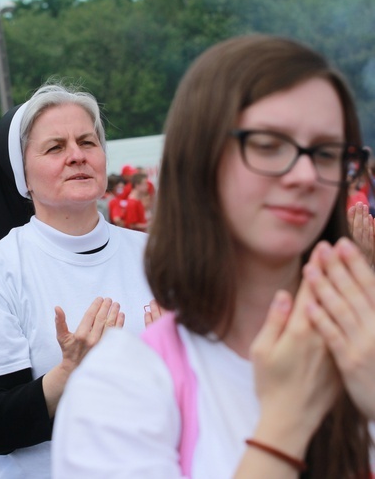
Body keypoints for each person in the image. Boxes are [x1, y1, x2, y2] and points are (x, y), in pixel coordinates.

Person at [51, 35, 372, 478]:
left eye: (326, 152)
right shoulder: (123, 385)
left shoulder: (364, 352)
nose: (304, 174)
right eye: (267, 144)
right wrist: (284, 426)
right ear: (200, 159)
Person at [0, 83, 155, 478]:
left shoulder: (156, 255)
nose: (77, 156)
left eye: (87, 142)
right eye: (55, 148)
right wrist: (69, 373)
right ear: (23, 175)